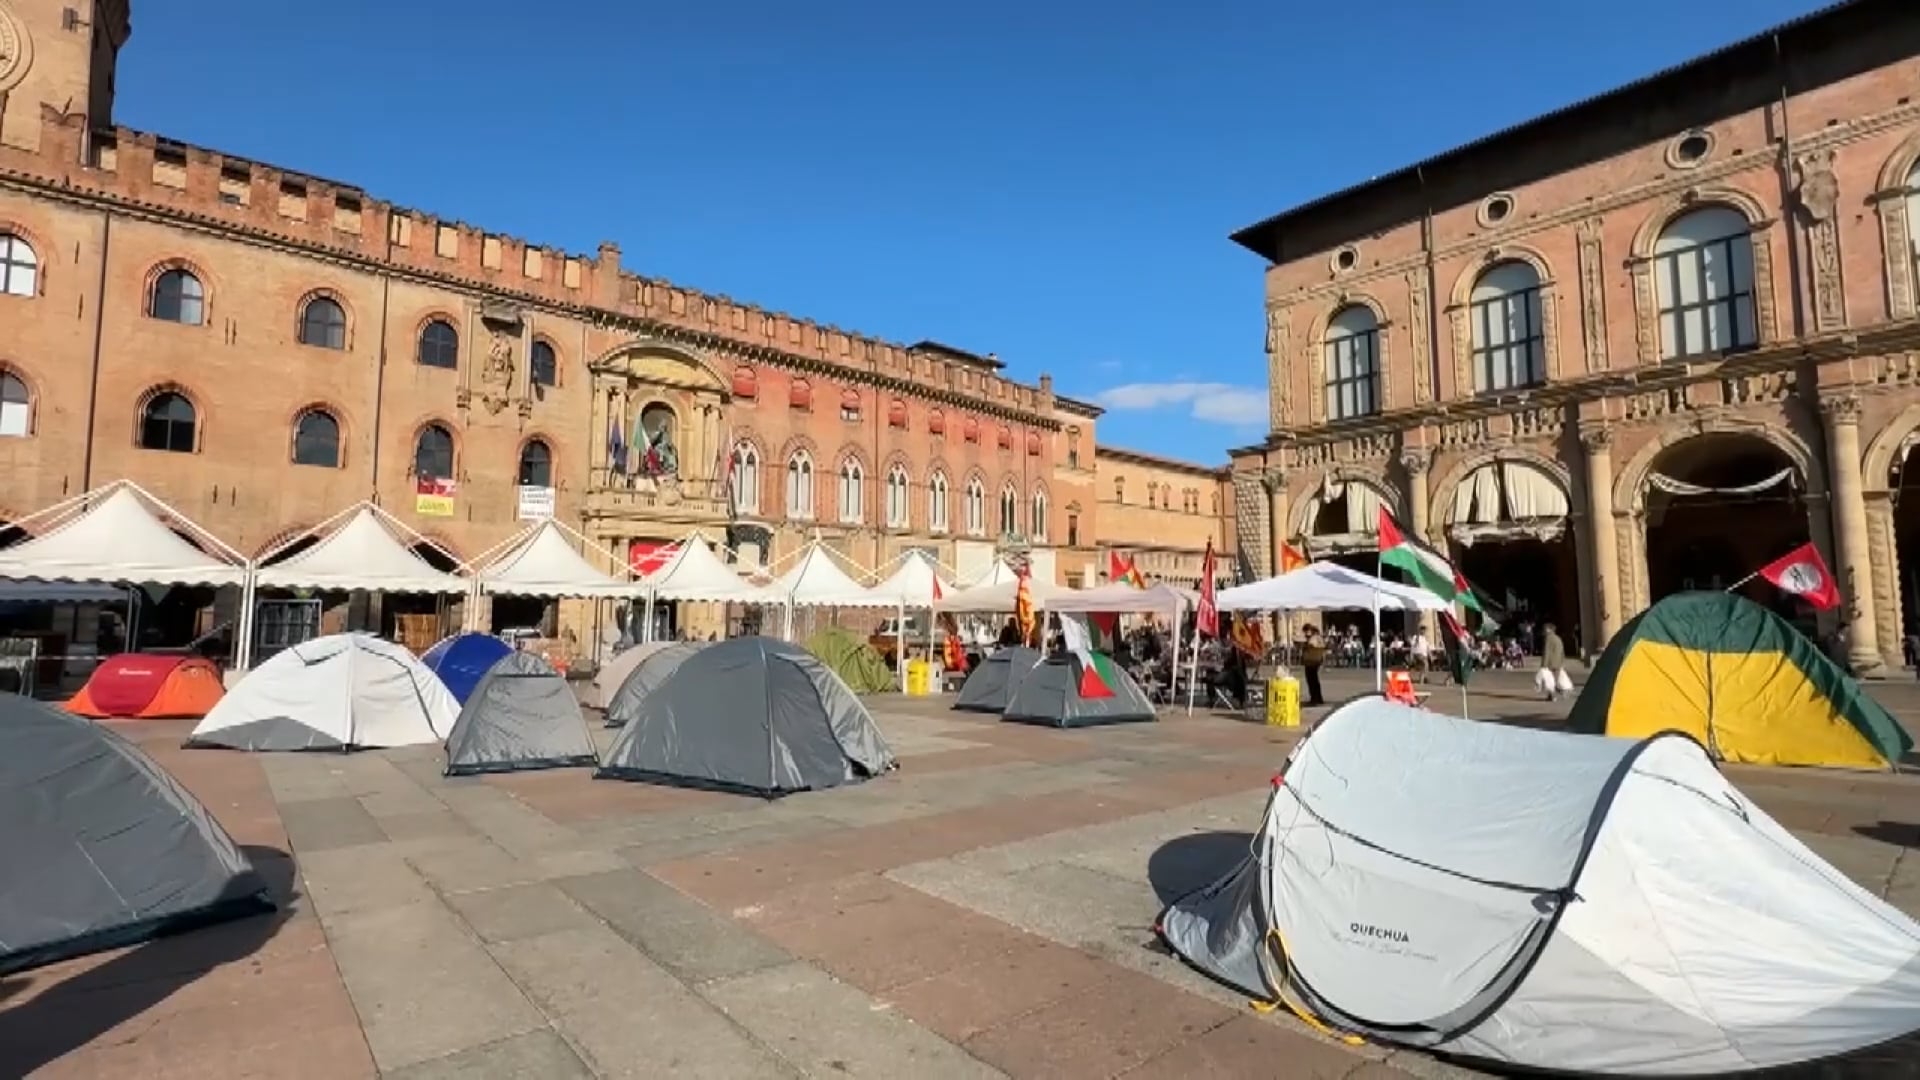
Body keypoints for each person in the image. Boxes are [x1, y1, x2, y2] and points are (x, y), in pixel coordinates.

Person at [1299, 625, 1327, 707]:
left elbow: (1312, 646)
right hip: (1315, 661)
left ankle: (1314, 698)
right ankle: (1318, 698)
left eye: (1306, 631)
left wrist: (1306, 646)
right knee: (1315, 681)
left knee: (1312, 681)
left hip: (1311, 662)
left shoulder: (1314, 638)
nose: (1305, 634)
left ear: (1310, 630)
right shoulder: (1318, 637)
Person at [1540, 622, 1569, 701]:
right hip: (1558, 663)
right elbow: (1562, 652)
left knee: (1549, 680)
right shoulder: (1558, 638)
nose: (1544, 630)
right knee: (1555, 679)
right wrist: (1562, 661)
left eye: (1545, 629)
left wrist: (1544, 664)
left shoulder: (1549, 639)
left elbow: (1547, 652)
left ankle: (1553, 696)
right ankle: (1553, 695)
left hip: (1550, 663)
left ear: (1549, 629)